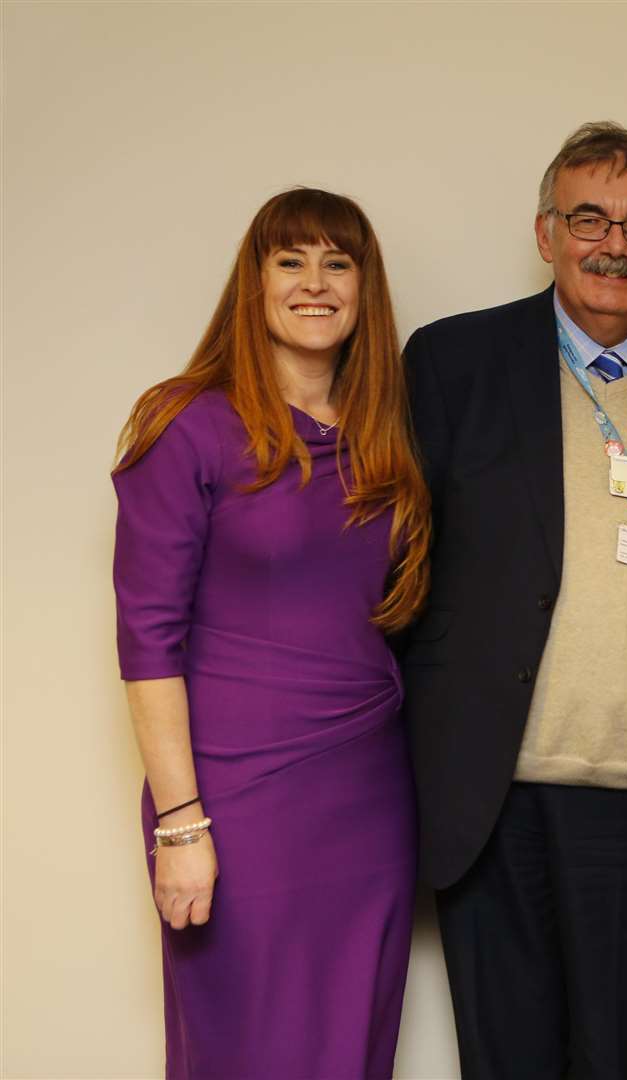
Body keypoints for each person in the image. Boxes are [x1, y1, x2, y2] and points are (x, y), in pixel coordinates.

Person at [402, 121, 627, 1078]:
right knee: (506, 1061)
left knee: (623, 1060)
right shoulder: (452, 363)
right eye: (589, 219)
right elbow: (403, 572)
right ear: (545, 232)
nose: (616, 244)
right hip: (495, 786)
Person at [111, 187, 430, 1078]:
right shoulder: (187, 425)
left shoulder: (385, 439)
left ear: (366, 289)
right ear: (253, 286)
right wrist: (180, 826)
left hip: (367, 798)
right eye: (290, 261)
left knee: (350, 1050)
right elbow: (147, 640)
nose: (315, 283)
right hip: (236, 804)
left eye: (339, 263)